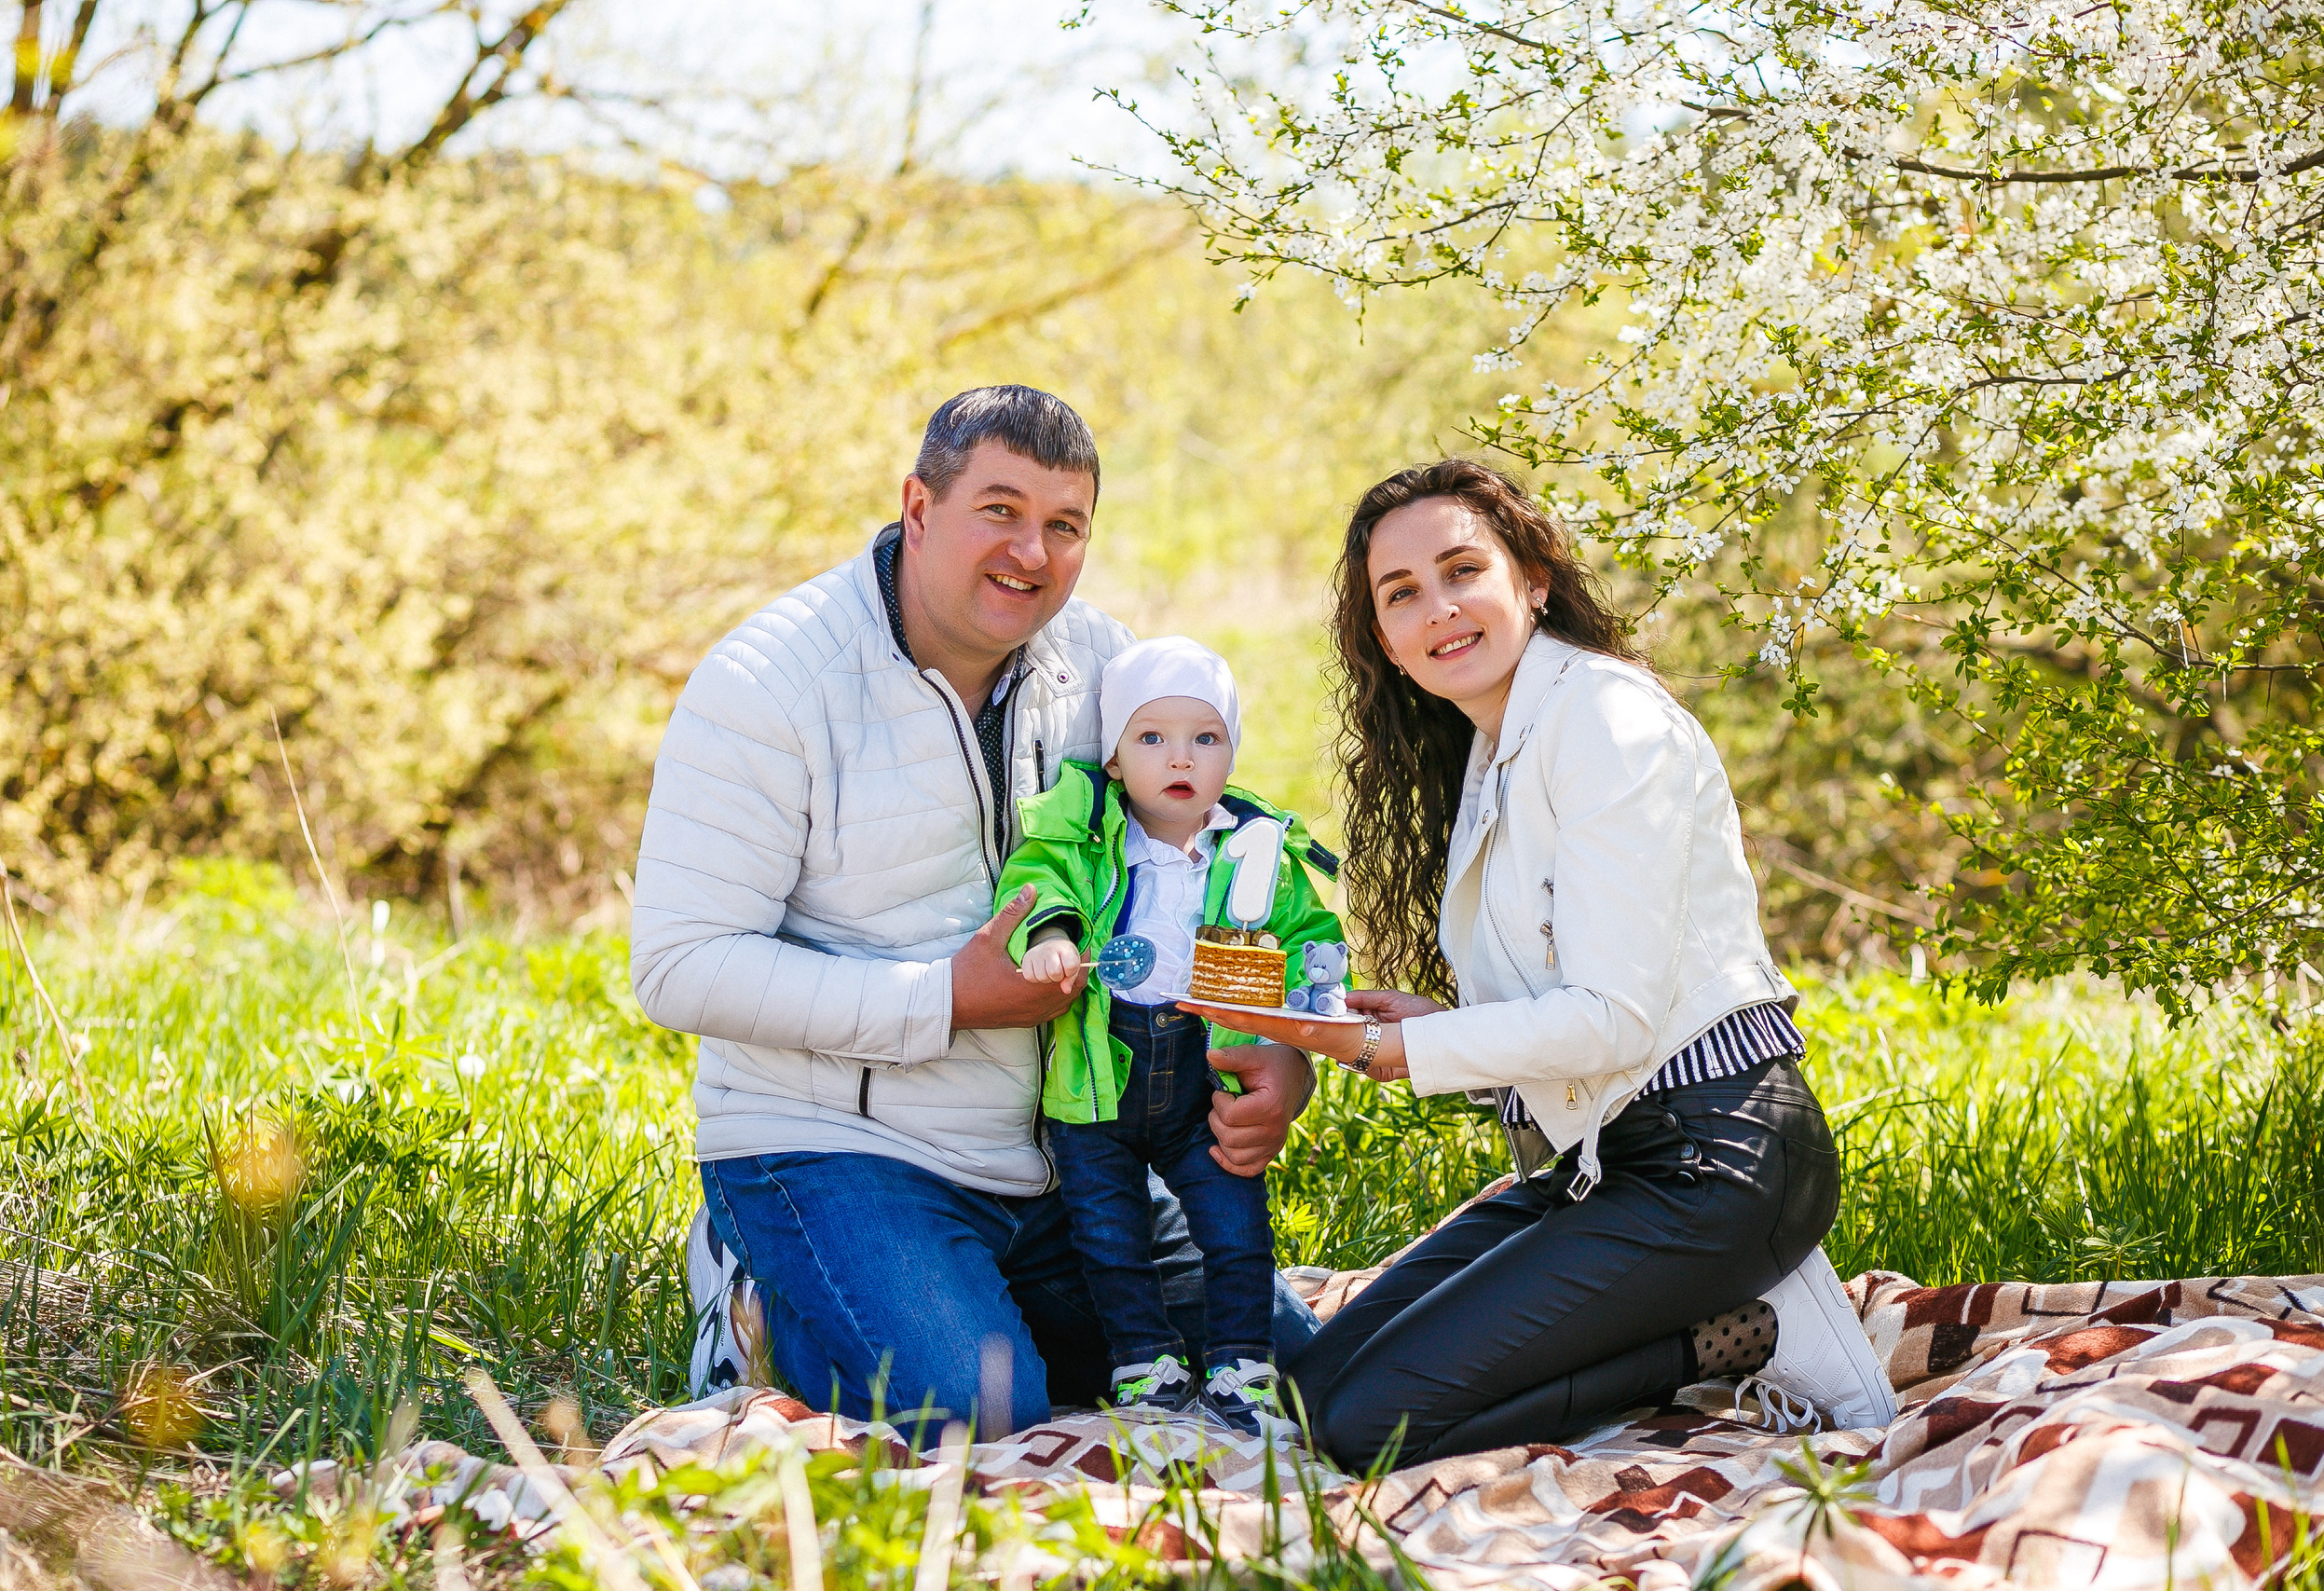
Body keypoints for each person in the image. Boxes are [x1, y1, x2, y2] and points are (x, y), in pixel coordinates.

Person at [1181, 459, 1898, 1471]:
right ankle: (1716, 1316)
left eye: (1461, 570)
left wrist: (1399, 1050)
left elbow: (1613, 1019)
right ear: (1381, 638)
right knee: (1313, 1392)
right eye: (1401, 594)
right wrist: (1431, 1024)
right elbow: (1566, 1014)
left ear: (1533, 580)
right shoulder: (1491, 750)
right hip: (1598, 1162)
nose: (1437, 608)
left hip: (1720, 1163)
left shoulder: (1605, 720)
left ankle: (1739, 1334)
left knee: (1366, 1429)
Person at [630, 387, 1320, 1435]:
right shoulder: (770, 681)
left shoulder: (1101, 667)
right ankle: (756, 1295)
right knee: (975, 1416)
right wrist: (945, 997)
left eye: (1065, 524)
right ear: (918, 506)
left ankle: (978, 1311)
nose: (1030, 552)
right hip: (835, 1145)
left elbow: (1200, 869)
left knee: (1301, 1384)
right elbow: (679, 966)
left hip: (1072, 1149)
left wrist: (1275, 1048)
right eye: (998, 510)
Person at [1001, 638, 1343, 1434]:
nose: (1178, 757)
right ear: (1116, 759)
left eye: (1205, 738)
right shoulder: (1087, 834)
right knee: (1109, 1232)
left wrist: (1316, 1003)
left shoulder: (1257, 850)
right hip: (1098, 1068)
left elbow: (1306, 931)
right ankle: (1143, 1358)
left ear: (1229, 754)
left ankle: (1240, 1363)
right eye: (1151, 738)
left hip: (1204, 1065)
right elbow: (1037, 877)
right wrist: (1049, 934)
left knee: (1234, 1225)